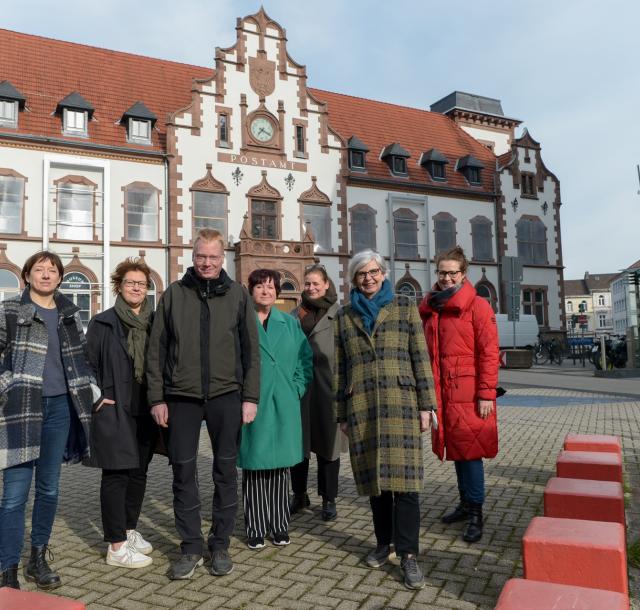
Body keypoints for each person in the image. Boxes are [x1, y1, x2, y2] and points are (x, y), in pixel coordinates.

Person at [146, 229, 260, 580]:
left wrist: (250, 397)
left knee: (225, 472)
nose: (207, 262)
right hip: (181, 397)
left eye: (212, 256)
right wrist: (157, 398)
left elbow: (251, 352)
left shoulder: (239, 296)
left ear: (222, 257)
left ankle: (220, 543)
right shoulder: (174, 295)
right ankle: (191, 546)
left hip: (227, 396)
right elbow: (156, 351)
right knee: (183, 472)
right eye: (201, 256)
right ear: (192, 256)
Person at [334, 250, 436, 591]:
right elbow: (341, 368)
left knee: (405, 485)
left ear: (384, 273)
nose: (369, 278)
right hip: (363, 405)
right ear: (354, 279)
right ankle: (383, 542)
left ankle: (408, 555)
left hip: (401, 402)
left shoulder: (405, 307)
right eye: (362, 273)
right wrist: (341, 413)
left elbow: (420, 358)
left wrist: (427, 406)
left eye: (374, 271)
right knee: (376, 481)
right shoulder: (345, 315)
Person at [0, 251, 95, 590]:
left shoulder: (69, 313)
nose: (46, 274)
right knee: (14, 495)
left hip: (60, 410)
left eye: (52, 270)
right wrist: (7, 384)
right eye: (39, 269)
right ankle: (7, 569)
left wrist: (92, 388)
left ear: (59, 278)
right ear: (27, 276)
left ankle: (37, 558)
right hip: (21, 409)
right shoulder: (11, 310)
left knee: (49, 488)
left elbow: (80, 356)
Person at [419, 246, 499, 544]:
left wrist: (486, 393)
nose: (447, 278)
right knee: (456, 449)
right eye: (442, 273)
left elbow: (489, 353)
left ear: (463, 274)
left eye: (453, 273)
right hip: (442, 391)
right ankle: (465, 504)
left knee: (471, 452)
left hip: (468, 392)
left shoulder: (478, 307)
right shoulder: (430, 308)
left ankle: (476, 512)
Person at [86, 258, 157, 569]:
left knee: (139, 472)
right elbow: (86, 364)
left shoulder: (155, 323)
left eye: (141, 283)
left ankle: (128, 529)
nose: (136, 287)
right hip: (115, 409)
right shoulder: (103, 322)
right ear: (119, 285)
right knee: (116, 474)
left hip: (146, 408)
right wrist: (97, 397)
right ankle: (116, 546)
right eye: (130, 282)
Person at [238, 269, 312, 549]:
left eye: (271, 287)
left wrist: (296, 388)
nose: (265, 291)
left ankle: (279, 525)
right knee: (255, 466)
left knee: (280, 468)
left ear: (277, 292)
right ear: (251, 290)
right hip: (253, 402)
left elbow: (305, 361)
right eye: (259, 286)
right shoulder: (242, 323)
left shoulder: (289, 323)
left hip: (283, 401)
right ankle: (256, 527)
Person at [290, 264, 346, 521]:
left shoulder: (341, 315)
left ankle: (329, 498)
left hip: (328, 389)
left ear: (326, 285)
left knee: (328, 447)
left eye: (316, 283)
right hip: (299, 390)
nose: (311, 288)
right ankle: (299, 494)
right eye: (308, 284)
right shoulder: (293, 315)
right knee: (298, 446)